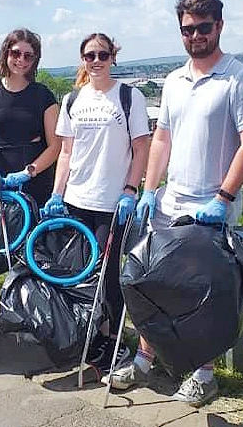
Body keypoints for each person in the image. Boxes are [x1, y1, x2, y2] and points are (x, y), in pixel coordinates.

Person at [107, 0, 243, 407]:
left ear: (219, 26)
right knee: (152, 282)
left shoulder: (237, 77)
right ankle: (145, 359)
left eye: (202, 27)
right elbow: (162, 137)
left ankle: (204, 373)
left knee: (201, 294)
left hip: (211, 207)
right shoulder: (175, 81)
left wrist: (224, 198)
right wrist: (149, 189)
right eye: (187, 29)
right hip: (170, 201)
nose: (195, 35)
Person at [42, 32, 150, 377]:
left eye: (103, 54)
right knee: (82, 276)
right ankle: (90, 338)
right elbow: (66, 153)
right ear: (82, 59)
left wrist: (131, 190)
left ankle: (114, 343)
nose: (97, 61)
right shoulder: (72, 99)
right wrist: (57, 194)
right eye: (90, 55)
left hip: (111, 203)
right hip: (76, 201)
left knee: (110, 278)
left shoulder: (129, 97)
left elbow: (142, 148)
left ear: (113, 57)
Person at [0, 28, 61, 344]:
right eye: (15, 53)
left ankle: (28, 316)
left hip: (33, 178)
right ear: (6, 53)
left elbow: (56, 145)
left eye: (28, 55)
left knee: (32, 251)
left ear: (35, 60)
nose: (20, 60)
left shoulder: (43, 96)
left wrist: (30, 172)